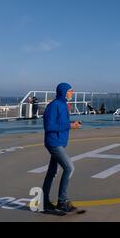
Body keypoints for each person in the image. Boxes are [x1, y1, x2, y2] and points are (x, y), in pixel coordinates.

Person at [42, 83, 82, 213]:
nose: (72, 93)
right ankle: (62, 201)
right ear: (63, 92)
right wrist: (69, 126)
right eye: (70, 91)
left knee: (52, 172)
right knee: (69, 167)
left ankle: (45, 202)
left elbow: (61, 123)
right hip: (54, 143)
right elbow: (49, 127)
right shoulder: (54, 105)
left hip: (59, 141)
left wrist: (71, 123)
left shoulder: (63, 104)